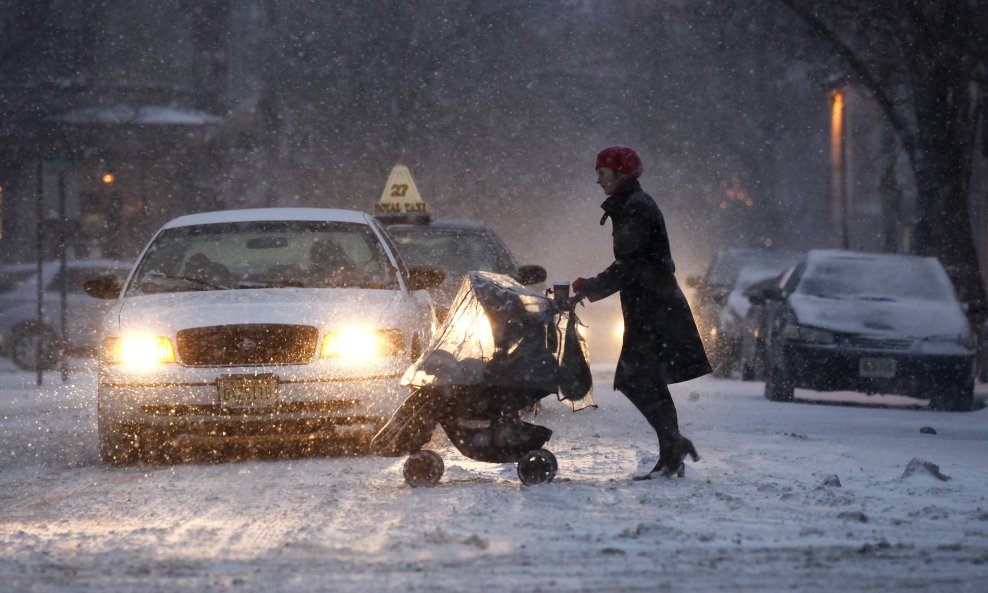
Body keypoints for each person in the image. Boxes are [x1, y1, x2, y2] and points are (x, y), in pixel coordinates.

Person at [572, 146, 711, 479]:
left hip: (655, 308)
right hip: (651, 306)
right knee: (645, 380)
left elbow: (629, 265)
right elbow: (630, 265)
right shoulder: (631, 205)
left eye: (602, 172)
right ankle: (671, 451)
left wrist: (590, 287)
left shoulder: (636, 208)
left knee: (637, 379)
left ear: (620, 173)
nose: (597, 179)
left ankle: (672, 447)